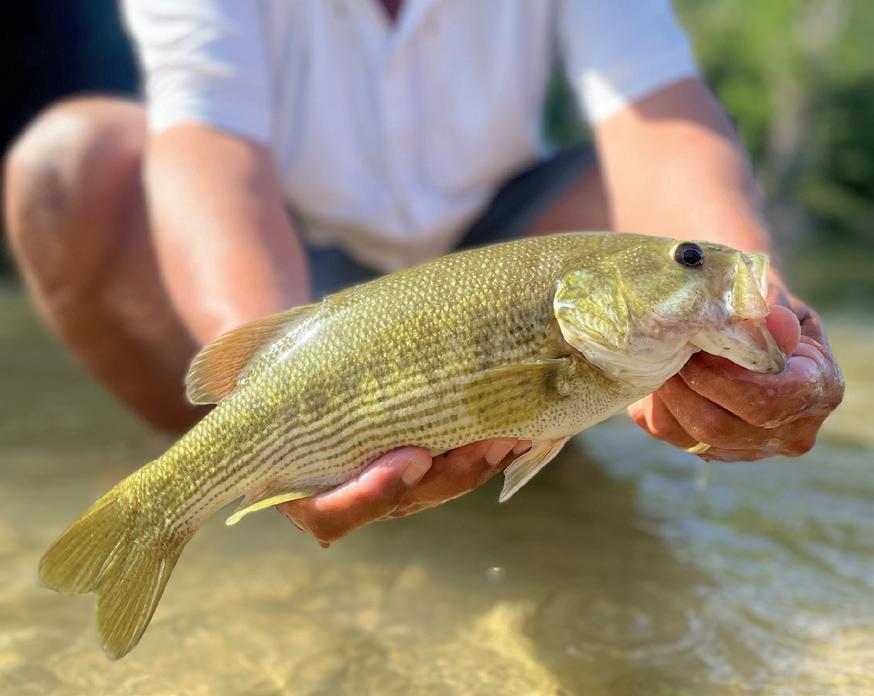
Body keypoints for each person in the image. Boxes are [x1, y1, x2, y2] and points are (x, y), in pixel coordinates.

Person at [4, 0, 843, 547]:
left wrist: (764, 313)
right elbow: (209, 148)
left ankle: (530, 447)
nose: (707, 267)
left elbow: (657, 111)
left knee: (633, 232)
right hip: (304, 266)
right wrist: (283, 397)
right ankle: (227, 469)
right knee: (70, 165)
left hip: (507, 256)